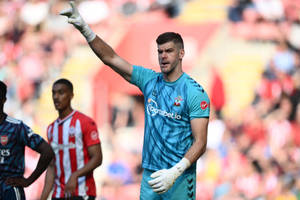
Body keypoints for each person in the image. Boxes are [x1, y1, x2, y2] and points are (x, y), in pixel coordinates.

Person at [60, 2, 210, 199]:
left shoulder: (194, 93)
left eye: (169, 51)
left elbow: (200, 142)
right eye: (160, 51)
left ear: (181, 53)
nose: (163, 56)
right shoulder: (149, 80)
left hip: (179, 177)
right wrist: (85, 29)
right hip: (150, 174)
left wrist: (175, 171)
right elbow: (111, 58)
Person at [40, 78, 103, 200]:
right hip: (58, 194)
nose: (56, 97)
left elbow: (97, 158)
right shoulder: (51, 129)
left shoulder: (85, 122)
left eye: (61, 92)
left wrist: (75, 175)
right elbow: (52, 167)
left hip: (81, 193)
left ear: (71, 95)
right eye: (54, 93)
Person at [0, 80, 54, 200]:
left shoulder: (16, 127)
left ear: (3, 100)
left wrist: (29, 180)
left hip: (10, 190)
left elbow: (47, 151)